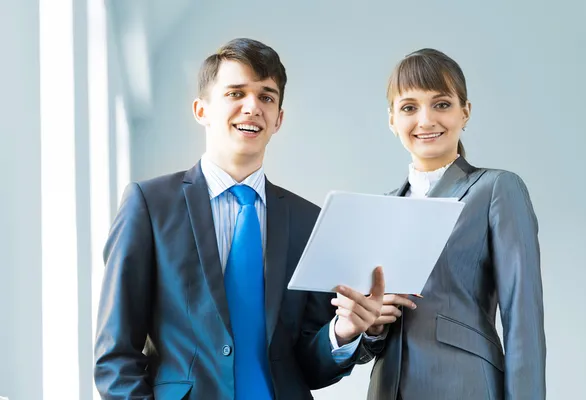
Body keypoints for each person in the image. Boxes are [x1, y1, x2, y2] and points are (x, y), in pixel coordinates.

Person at [93, 38, 394, 400]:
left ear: (279, 119)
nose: (252, 107)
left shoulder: (309, 220)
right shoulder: (149, 205)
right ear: (201, 110)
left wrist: (342, 332)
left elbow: (308, 367)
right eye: (236, 93)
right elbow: (115, 357)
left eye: (266, 97)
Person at [363, 48, 546, 400]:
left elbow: (524, 319)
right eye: (409, 107)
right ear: (392, 120)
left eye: (442, 104)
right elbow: (373, 324)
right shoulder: (381, 207)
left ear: (465, 112)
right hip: (388, 388)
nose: (426, 120)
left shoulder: (496, 188)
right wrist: (370, 326)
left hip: (465, 385)